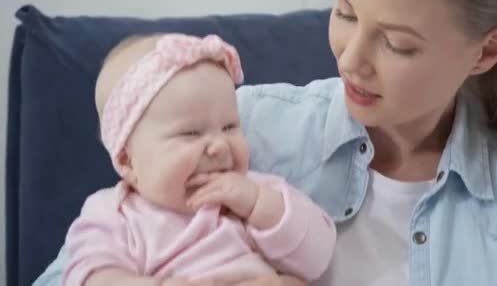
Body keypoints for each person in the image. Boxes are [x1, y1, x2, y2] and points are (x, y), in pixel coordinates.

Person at [35, 0, 497, 285]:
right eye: (344, 11)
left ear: (486, 51)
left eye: (396, 44)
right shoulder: (231, 126)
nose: (349, 58)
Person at [62, 33, 336, 286]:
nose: (219, 145)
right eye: (191, 134)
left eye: (229, 126)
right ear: (127, 161)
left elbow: (318, 258)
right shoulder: (114, 215)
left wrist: (258, 205)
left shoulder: (254, 194)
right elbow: (89, 276)